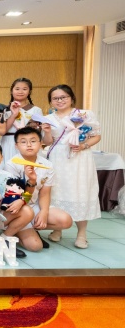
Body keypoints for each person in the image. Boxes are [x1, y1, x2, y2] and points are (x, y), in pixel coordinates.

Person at [43, 85, 101, 249]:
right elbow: (47, 142)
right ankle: (57, 229)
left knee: (80, 192)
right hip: (57, 159)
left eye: (63, 97)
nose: (60, 100)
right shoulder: (48, 118)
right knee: (57, 192)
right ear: (51, 101)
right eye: (55, 98)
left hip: (80, 159)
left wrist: (83, 146)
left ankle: (81, 234)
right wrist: (46, 132)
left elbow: (96, 136)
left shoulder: (84, 114)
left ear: (71, 98)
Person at [6, 127, 73, 252]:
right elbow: (14, 196)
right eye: (23, 142)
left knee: (66, 221)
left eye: (33, 141)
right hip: (18, 208)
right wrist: (31, 181)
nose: (29, 145)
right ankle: (14, 229)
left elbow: (45, 193)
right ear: (16, 145)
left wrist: (44, 212)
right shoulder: (12, 164)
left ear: (40, 143)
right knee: (35, 246)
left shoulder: (47, 165)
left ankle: (29, 229)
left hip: (33, 205)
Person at [2, 78, 44, 161]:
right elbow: (2, 129)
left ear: (29, 92)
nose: (20, 92)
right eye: (17, 89)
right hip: (8, 142)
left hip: (28, 143)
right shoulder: (4, 109)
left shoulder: (36, 110)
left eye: (24, 89)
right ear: (11, 91)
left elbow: (39, 131)